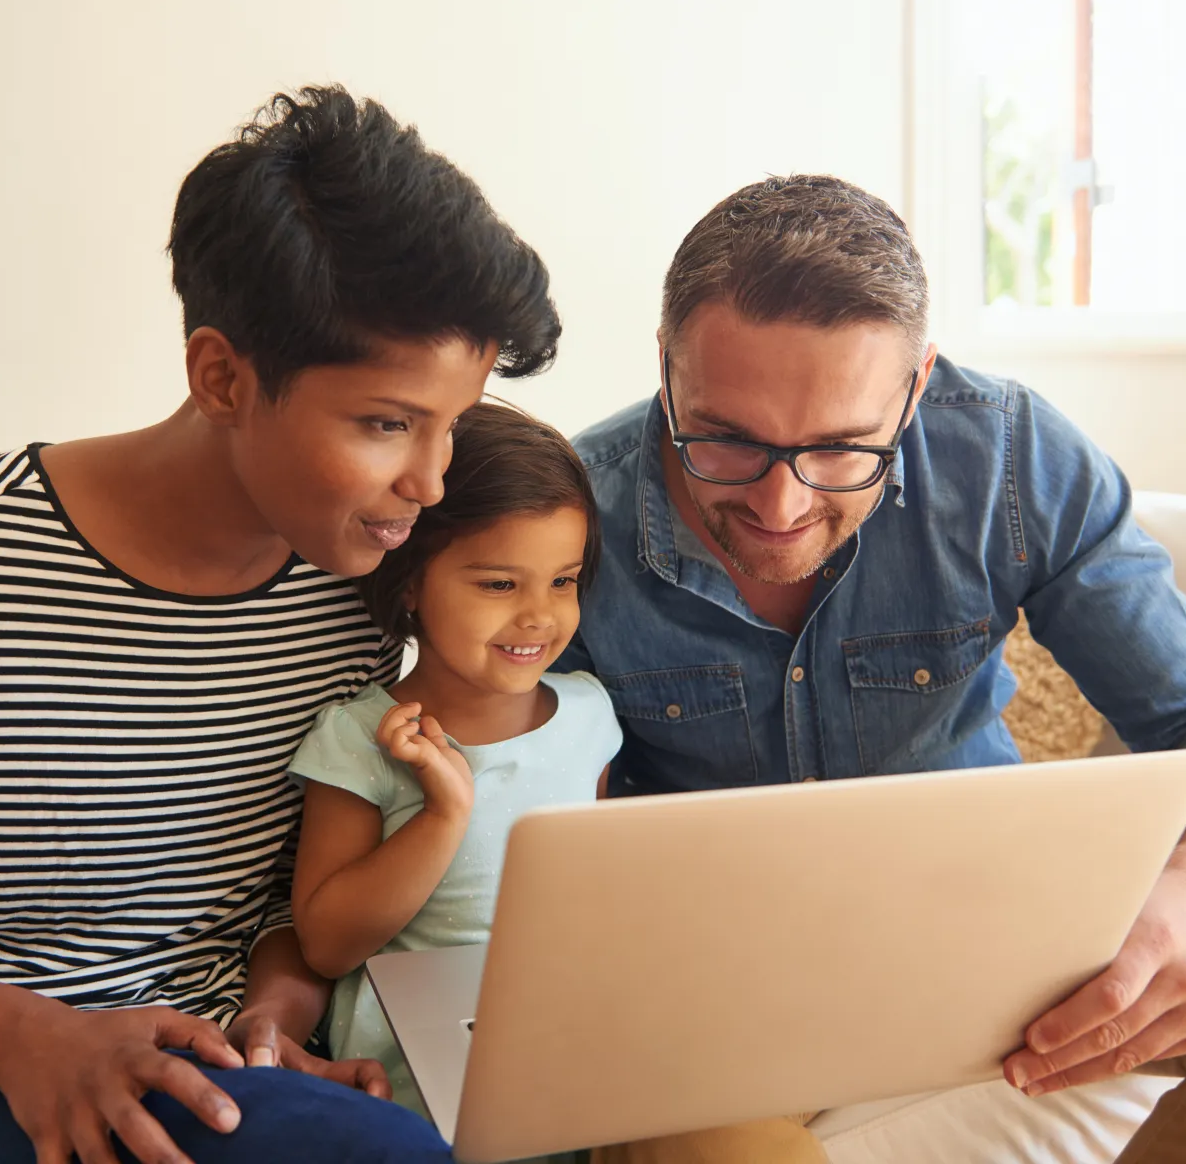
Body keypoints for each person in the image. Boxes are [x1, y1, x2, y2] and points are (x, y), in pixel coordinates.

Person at [0, 85, 561, 1164]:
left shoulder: (351, 595)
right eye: (386, 425)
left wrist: (277, 1014)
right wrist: (34, 1039)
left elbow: (284, 906)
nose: (430, 483)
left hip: (216, 1073)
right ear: (221, 376)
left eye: (452, 427)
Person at [558, 174, 1186, 1162]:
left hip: (999, 948)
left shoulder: (1008, 458)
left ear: (916, 391)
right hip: (720, 1000)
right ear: (665, 372)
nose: (781, 506)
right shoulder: (565, 522)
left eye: (842, 450)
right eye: (725, 440)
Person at [289, 400, 827, 1163]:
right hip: (441, 1089)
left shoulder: (587, 711)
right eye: (499, 585)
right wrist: (442, 817)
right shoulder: (361, 738)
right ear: (411, 583)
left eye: (564, 581)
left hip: (588, 1043)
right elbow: (327, 945)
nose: (539, 617)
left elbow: (600, 892)